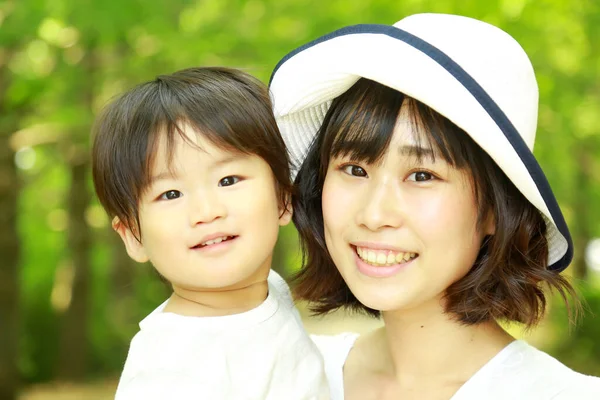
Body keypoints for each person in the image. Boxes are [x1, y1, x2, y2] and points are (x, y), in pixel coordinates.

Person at [269, 13, 600, 400]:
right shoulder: (287, 378)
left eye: (423, 175)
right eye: (354, 168)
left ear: (496, 209)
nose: (374, 215)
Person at [92, 67, 328, 399]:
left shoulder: (268, 291)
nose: (207, 211)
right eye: (170, 194)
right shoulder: (169, 372)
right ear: (132, 234)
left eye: (228, 180)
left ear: (283, 197)